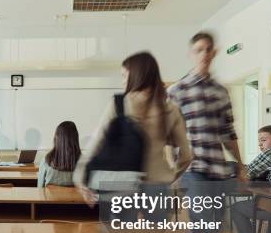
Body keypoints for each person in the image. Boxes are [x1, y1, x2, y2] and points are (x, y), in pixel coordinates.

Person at [168, 31, 246, 233]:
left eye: (208, 50)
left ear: (214, 53)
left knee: (212, 231)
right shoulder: (177, 90)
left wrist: (239, 164)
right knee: (201, 230)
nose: (203, 54)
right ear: (192, 53)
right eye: (198, 49)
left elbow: (228, 132)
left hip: (218, 169)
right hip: (193, 169)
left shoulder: (221, 92)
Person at [74, 51, 192, 196]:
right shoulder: (171, 110)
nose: (122, 81)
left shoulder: (119, 104)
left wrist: (79, 176)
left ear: (136, 75)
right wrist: (171, 175)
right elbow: (187, 155)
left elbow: (96, 141)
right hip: (158, 185)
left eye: (124, 76)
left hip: (123, 187)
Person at [38, 121, 81, 187]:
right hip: (77, 197)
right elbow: (92, 191)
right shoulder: (85, 162)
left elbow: (40, 188)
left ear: (56, 137)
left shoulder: (46, 160)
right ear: (76, 138)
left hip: (51, 197)